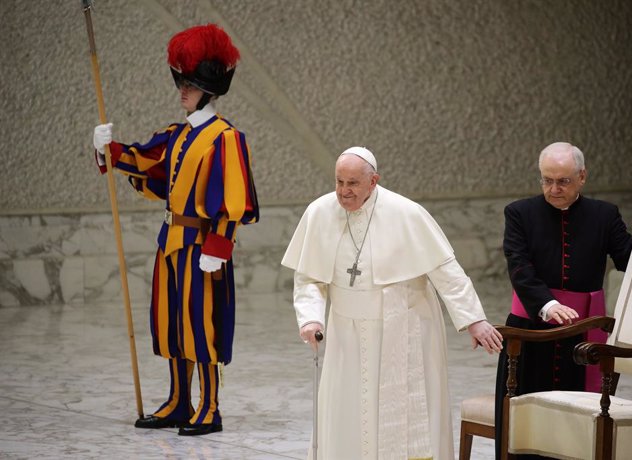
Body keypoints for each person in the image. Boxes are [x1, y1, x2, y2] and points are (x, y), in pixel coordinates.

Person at [281, 146, 503, 460]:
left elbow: (445, 270)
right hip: (346, 332)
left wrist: (474, 319)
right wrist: (311, 318)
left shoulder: (406, 213)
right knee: (348, 414)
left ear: (374, 181)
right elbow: (308, 278)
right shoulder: (320, 213)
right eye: (339, 182)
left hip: (403, 328)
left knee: (404, 420)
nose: (344, 192)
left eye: (353, 184)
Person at [91, 24, 259, 436]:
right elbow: (145, 163)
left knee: (203, 328)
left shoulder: (225, 138)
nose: (182, 89)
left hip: (203, 247)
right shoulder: (177, 134)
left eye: (190, 82)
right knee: (171, 325)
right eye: (180, 80)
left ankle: (209, 408)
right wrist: (106, 149)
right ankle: (179, 401)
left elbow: (233, 199)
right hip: (171, 244)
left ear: (208, 87)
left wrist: (219, 246)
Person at [494, 142, 632, 459]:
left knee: (579, 420)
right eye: (547, 180)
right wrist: (548, 305)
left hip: (584, 332)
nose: (553, 188)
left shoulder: (604, 215)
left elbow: (631, 263)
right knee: (525, 418)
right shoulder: (519, 212)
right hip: (531, 329)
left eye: (563, 181)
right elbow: (519, 266)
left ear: (582, 177)